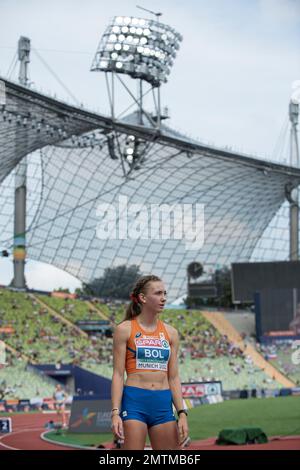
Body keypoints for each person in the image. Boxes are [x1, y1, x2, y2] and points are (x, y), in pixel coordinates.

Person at [111, 274, 189, 450]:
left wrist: (182, 412)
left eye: (164, 293)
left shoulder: (171, 333)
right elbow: (117, 374)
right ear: (143, 298)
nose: (163, 298)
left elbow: (174, 377)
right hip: (134, 402)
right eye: (158, 293)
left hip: (162, 403)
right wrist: (115, 413)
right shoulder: (124, 329)